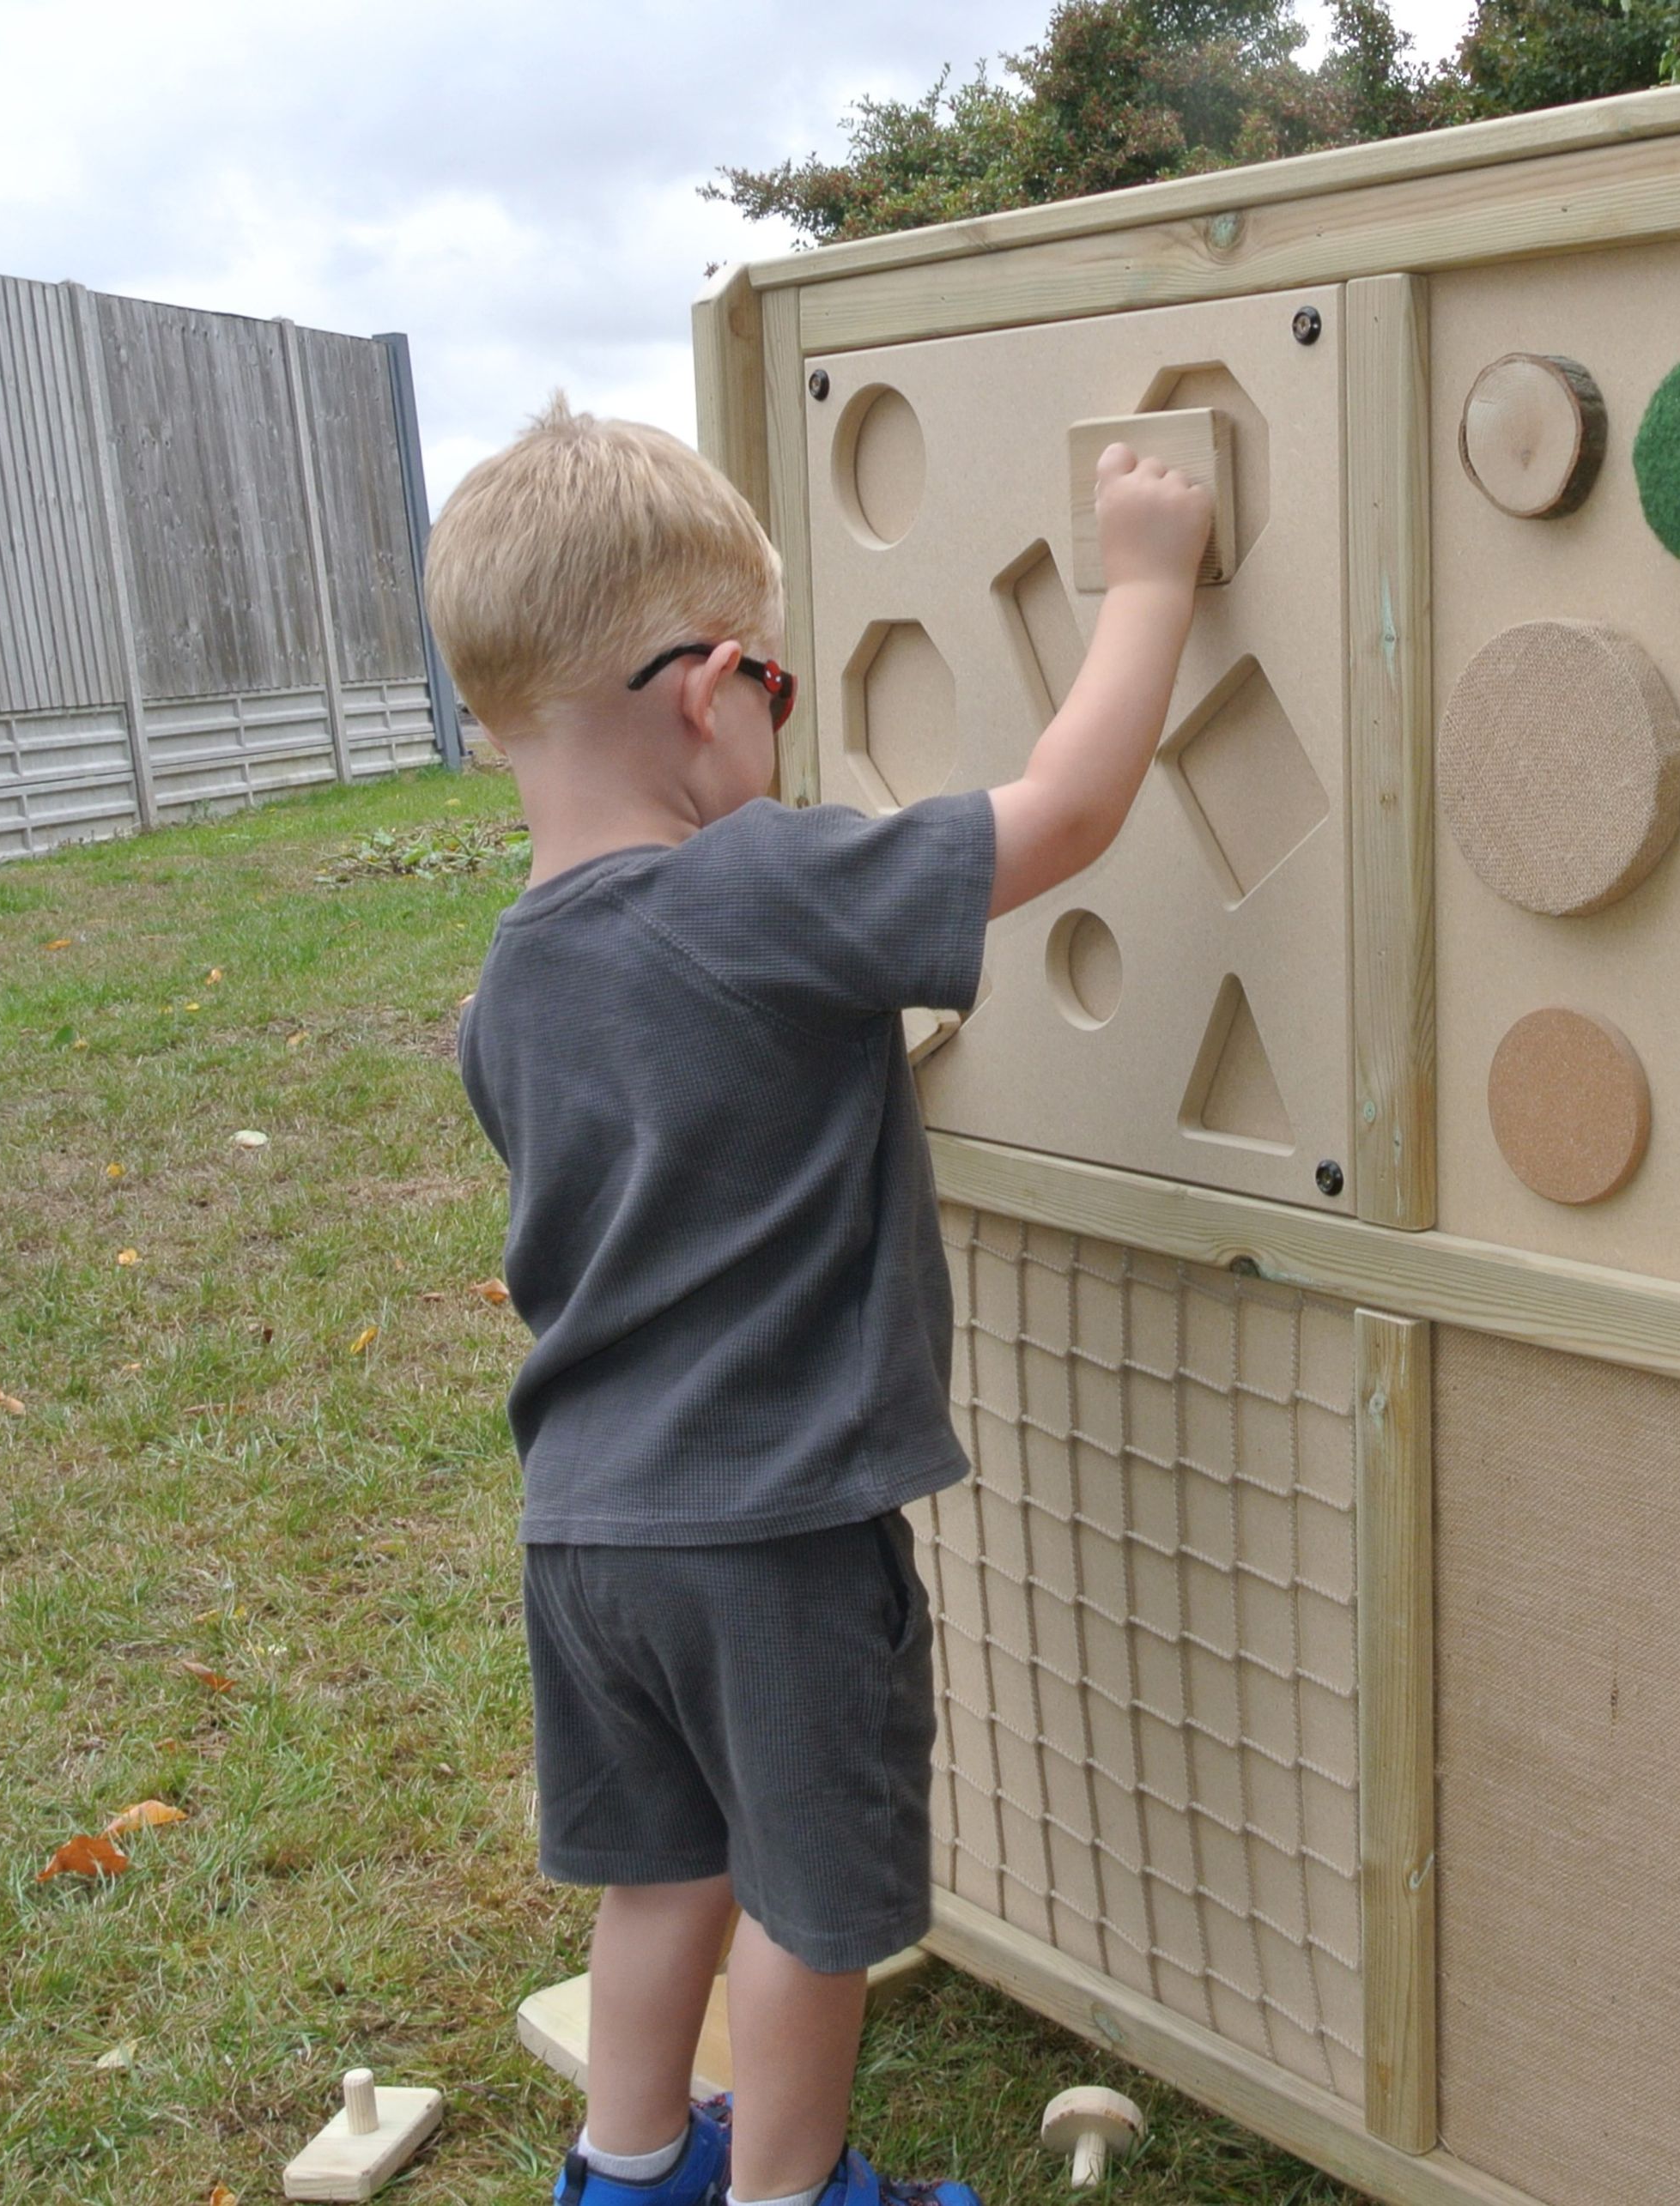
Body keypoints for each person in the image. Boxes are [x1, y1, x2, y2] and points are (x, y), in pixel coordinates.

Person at [426, 396, 1211, 2206]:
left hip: (586, 1536)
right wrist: (1149, 579)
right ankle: (790, 2192)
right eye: (779, 689)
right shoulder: (760, 889)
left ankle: (625, 2171)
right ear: (714, 694)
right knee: (806, 1904)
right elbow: (1070, 810)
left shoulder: (506, 989)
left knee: (665, 1876)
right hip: (775, 1538)